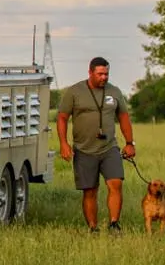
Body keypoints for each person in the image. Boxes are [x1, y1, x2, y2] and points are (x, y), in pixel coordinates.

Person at [57, 57, 136, 234]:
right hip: (84, 149)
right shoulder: (75, 91)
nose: (104, 77)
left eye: (106, 74)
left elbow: (123, 118)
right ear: (90, 72)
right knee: (90, 190)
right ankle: (93, 228)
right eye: (100, 74)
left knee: (115, 184)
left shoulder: (114, 92)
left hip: (109, 147)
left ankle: (114, 224)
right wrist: (64, 143)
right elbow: (62, 117)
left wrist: (130, 143)